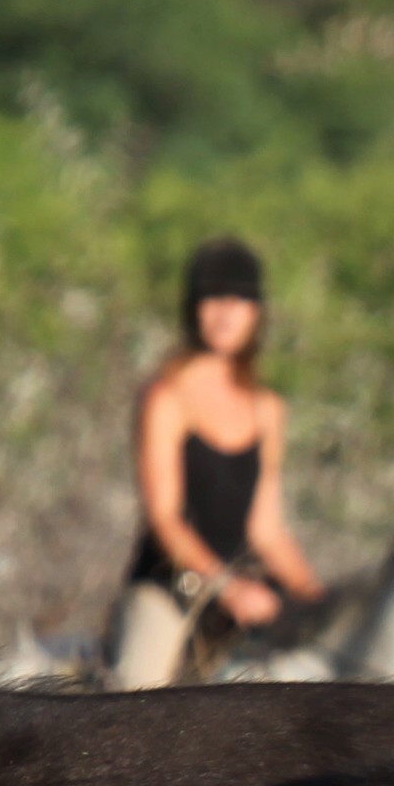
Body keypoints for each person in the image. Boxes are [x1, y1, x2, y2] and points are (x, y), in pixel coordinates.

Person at [107, 235, 326, 689]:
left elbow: (266, 530)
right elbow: (164, 518)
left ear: (257, 313)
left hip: (243, 605)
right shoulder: (165, 396)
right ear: (193, 308)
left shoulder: (267, 408)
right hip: (170, 594)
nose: (225, 313)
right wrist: (228, 586)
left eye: (239, 300)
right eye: (212, 298)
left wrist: (316, 598)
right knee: (132, 707)